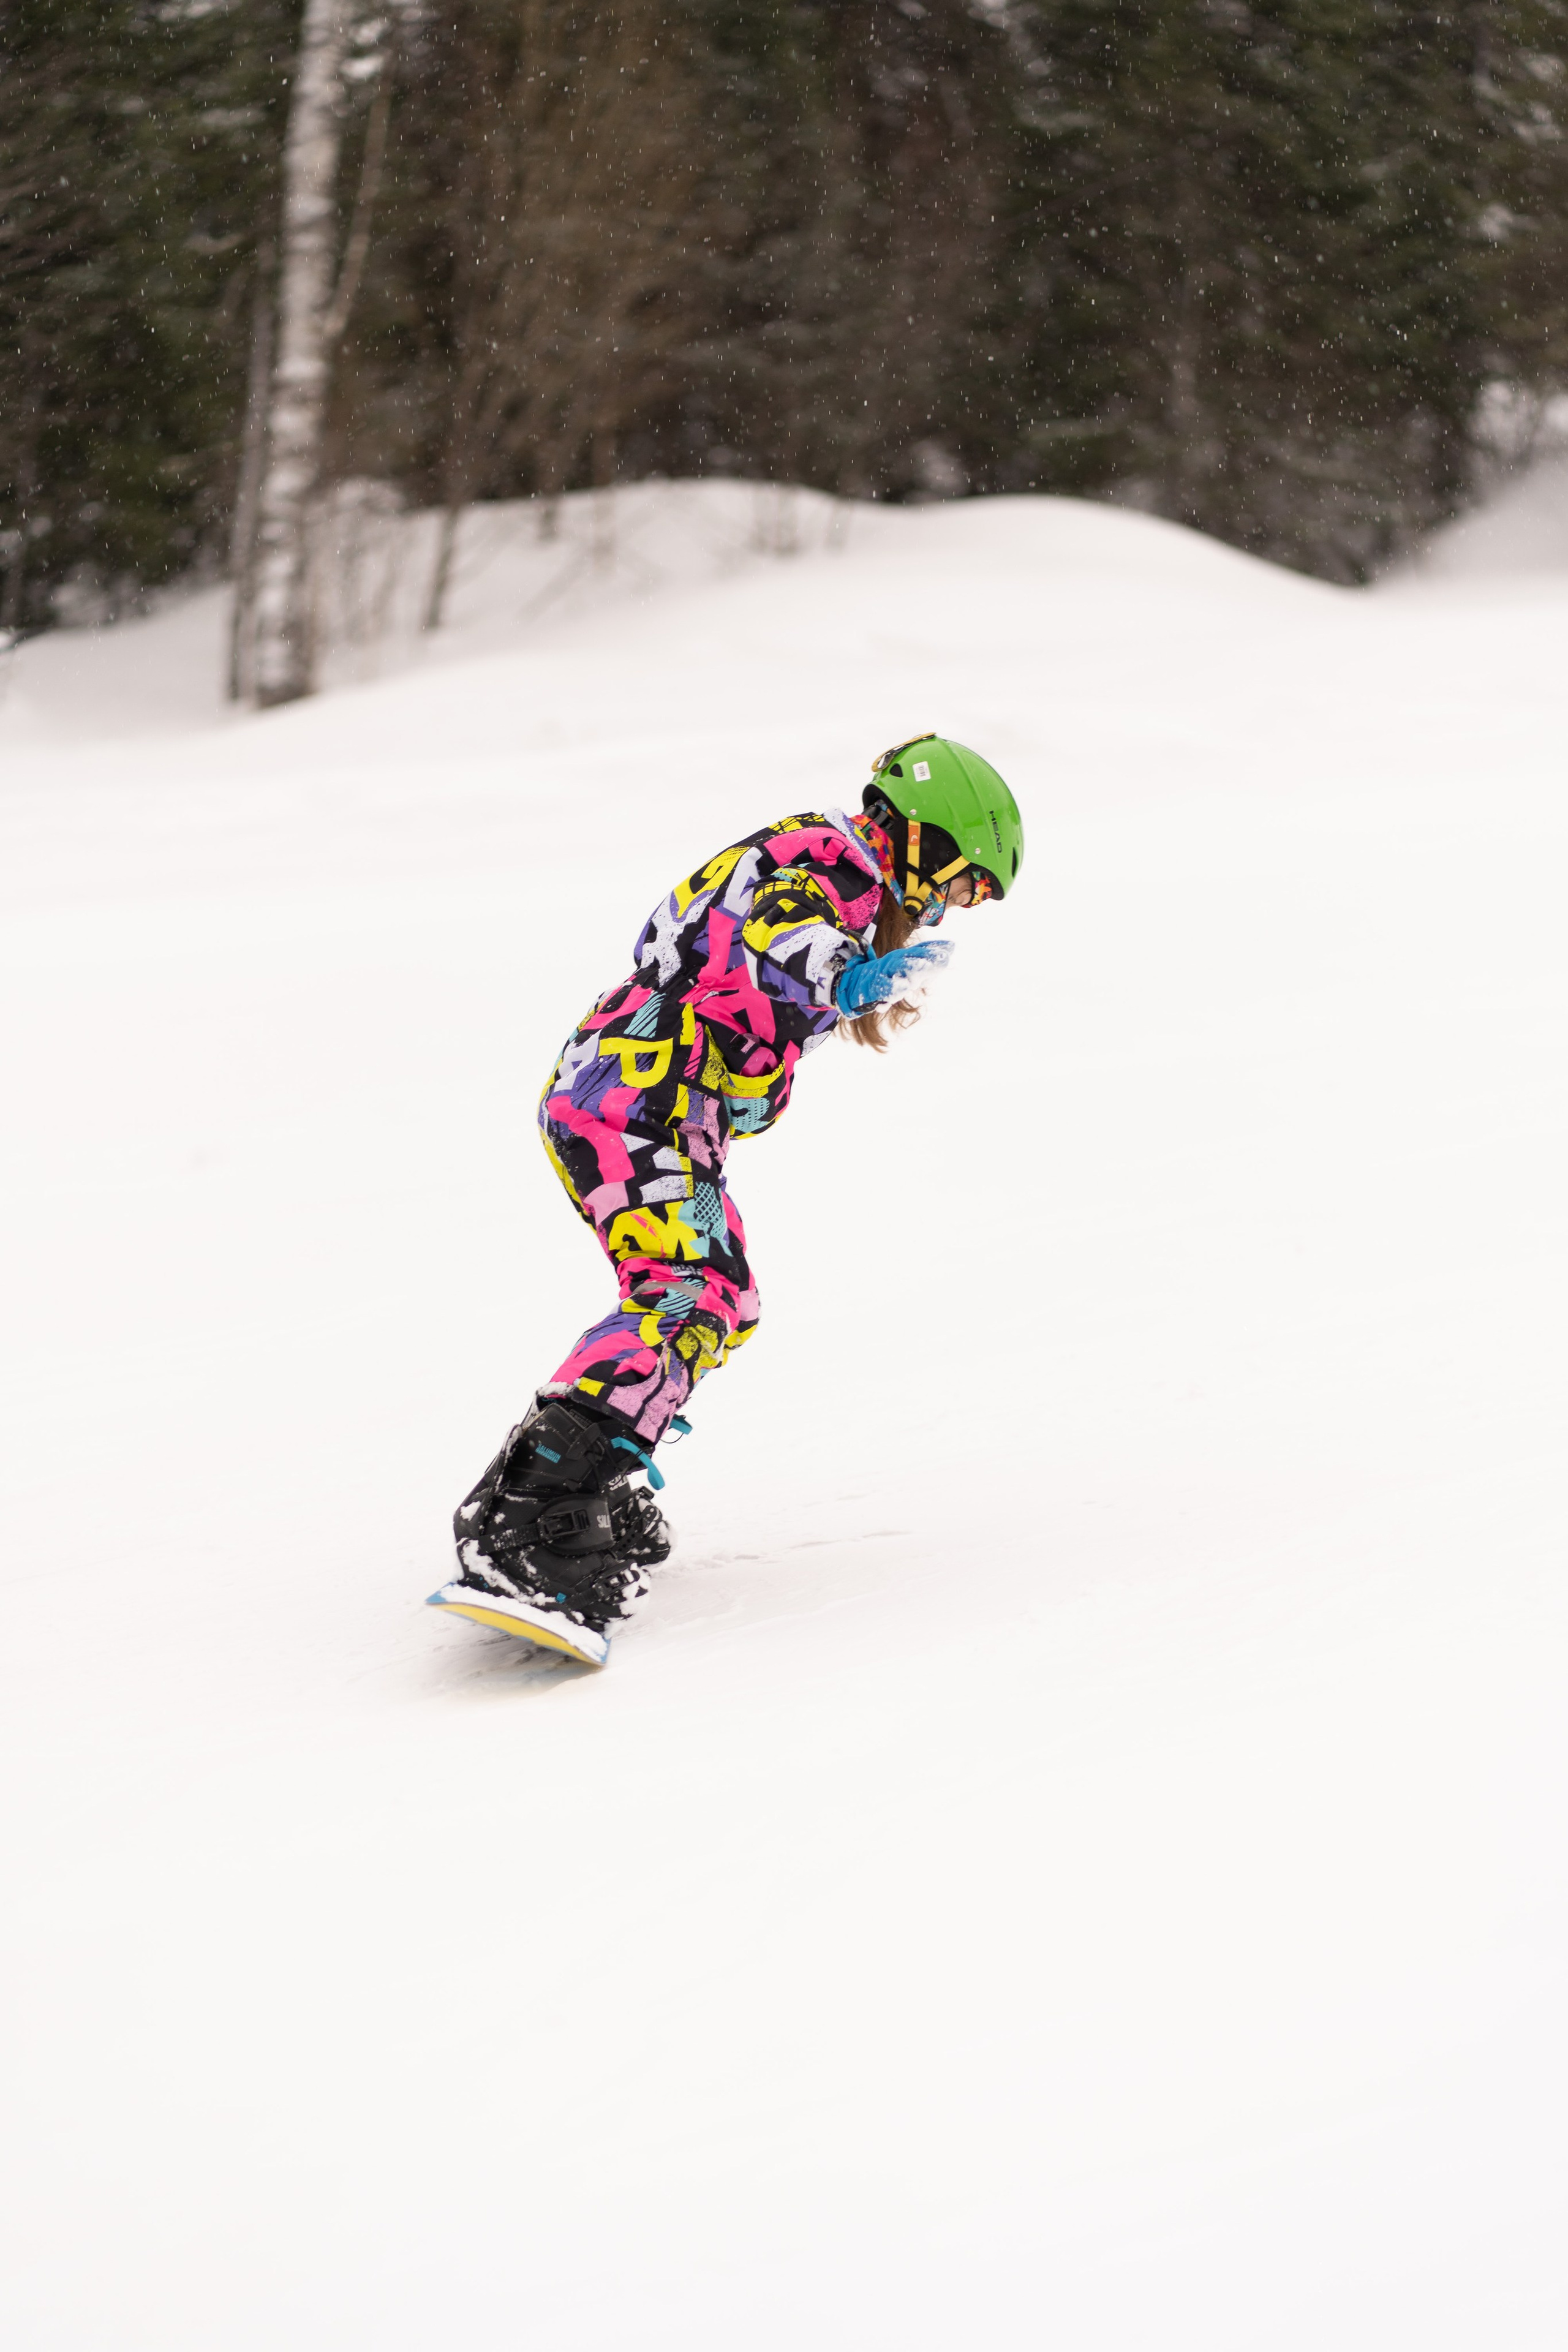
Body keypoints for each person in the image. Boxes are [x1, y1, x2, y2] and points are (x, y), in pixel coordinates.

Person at [429, 731, 1025, 1664]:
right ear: (924, 837)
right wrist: (849, 975)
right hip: (630, 1104)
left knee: (721, 1292)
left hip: (658, 1115)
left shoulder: (851, 883)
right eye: (961, 883)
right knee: (686, 1291)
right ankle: (534, 1513)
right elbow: (780, 931)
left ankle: (602, 1460)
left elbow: (748, 996)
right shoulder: (829, 861)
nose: (952, 905)